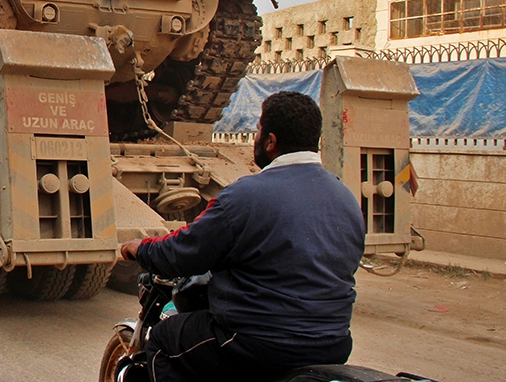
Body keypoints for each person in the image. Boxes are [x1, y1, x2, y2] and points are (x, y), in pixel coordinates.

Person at [119, 91, 366, 382]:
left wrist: (141, 249)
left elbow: (184, 251)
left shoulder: (246, 195)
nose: (255, 138)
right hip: (332, 344)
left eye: (258, 130)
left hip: (256, 342)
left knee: (164, 340)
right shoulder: (346, 199)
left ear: (271, 142)